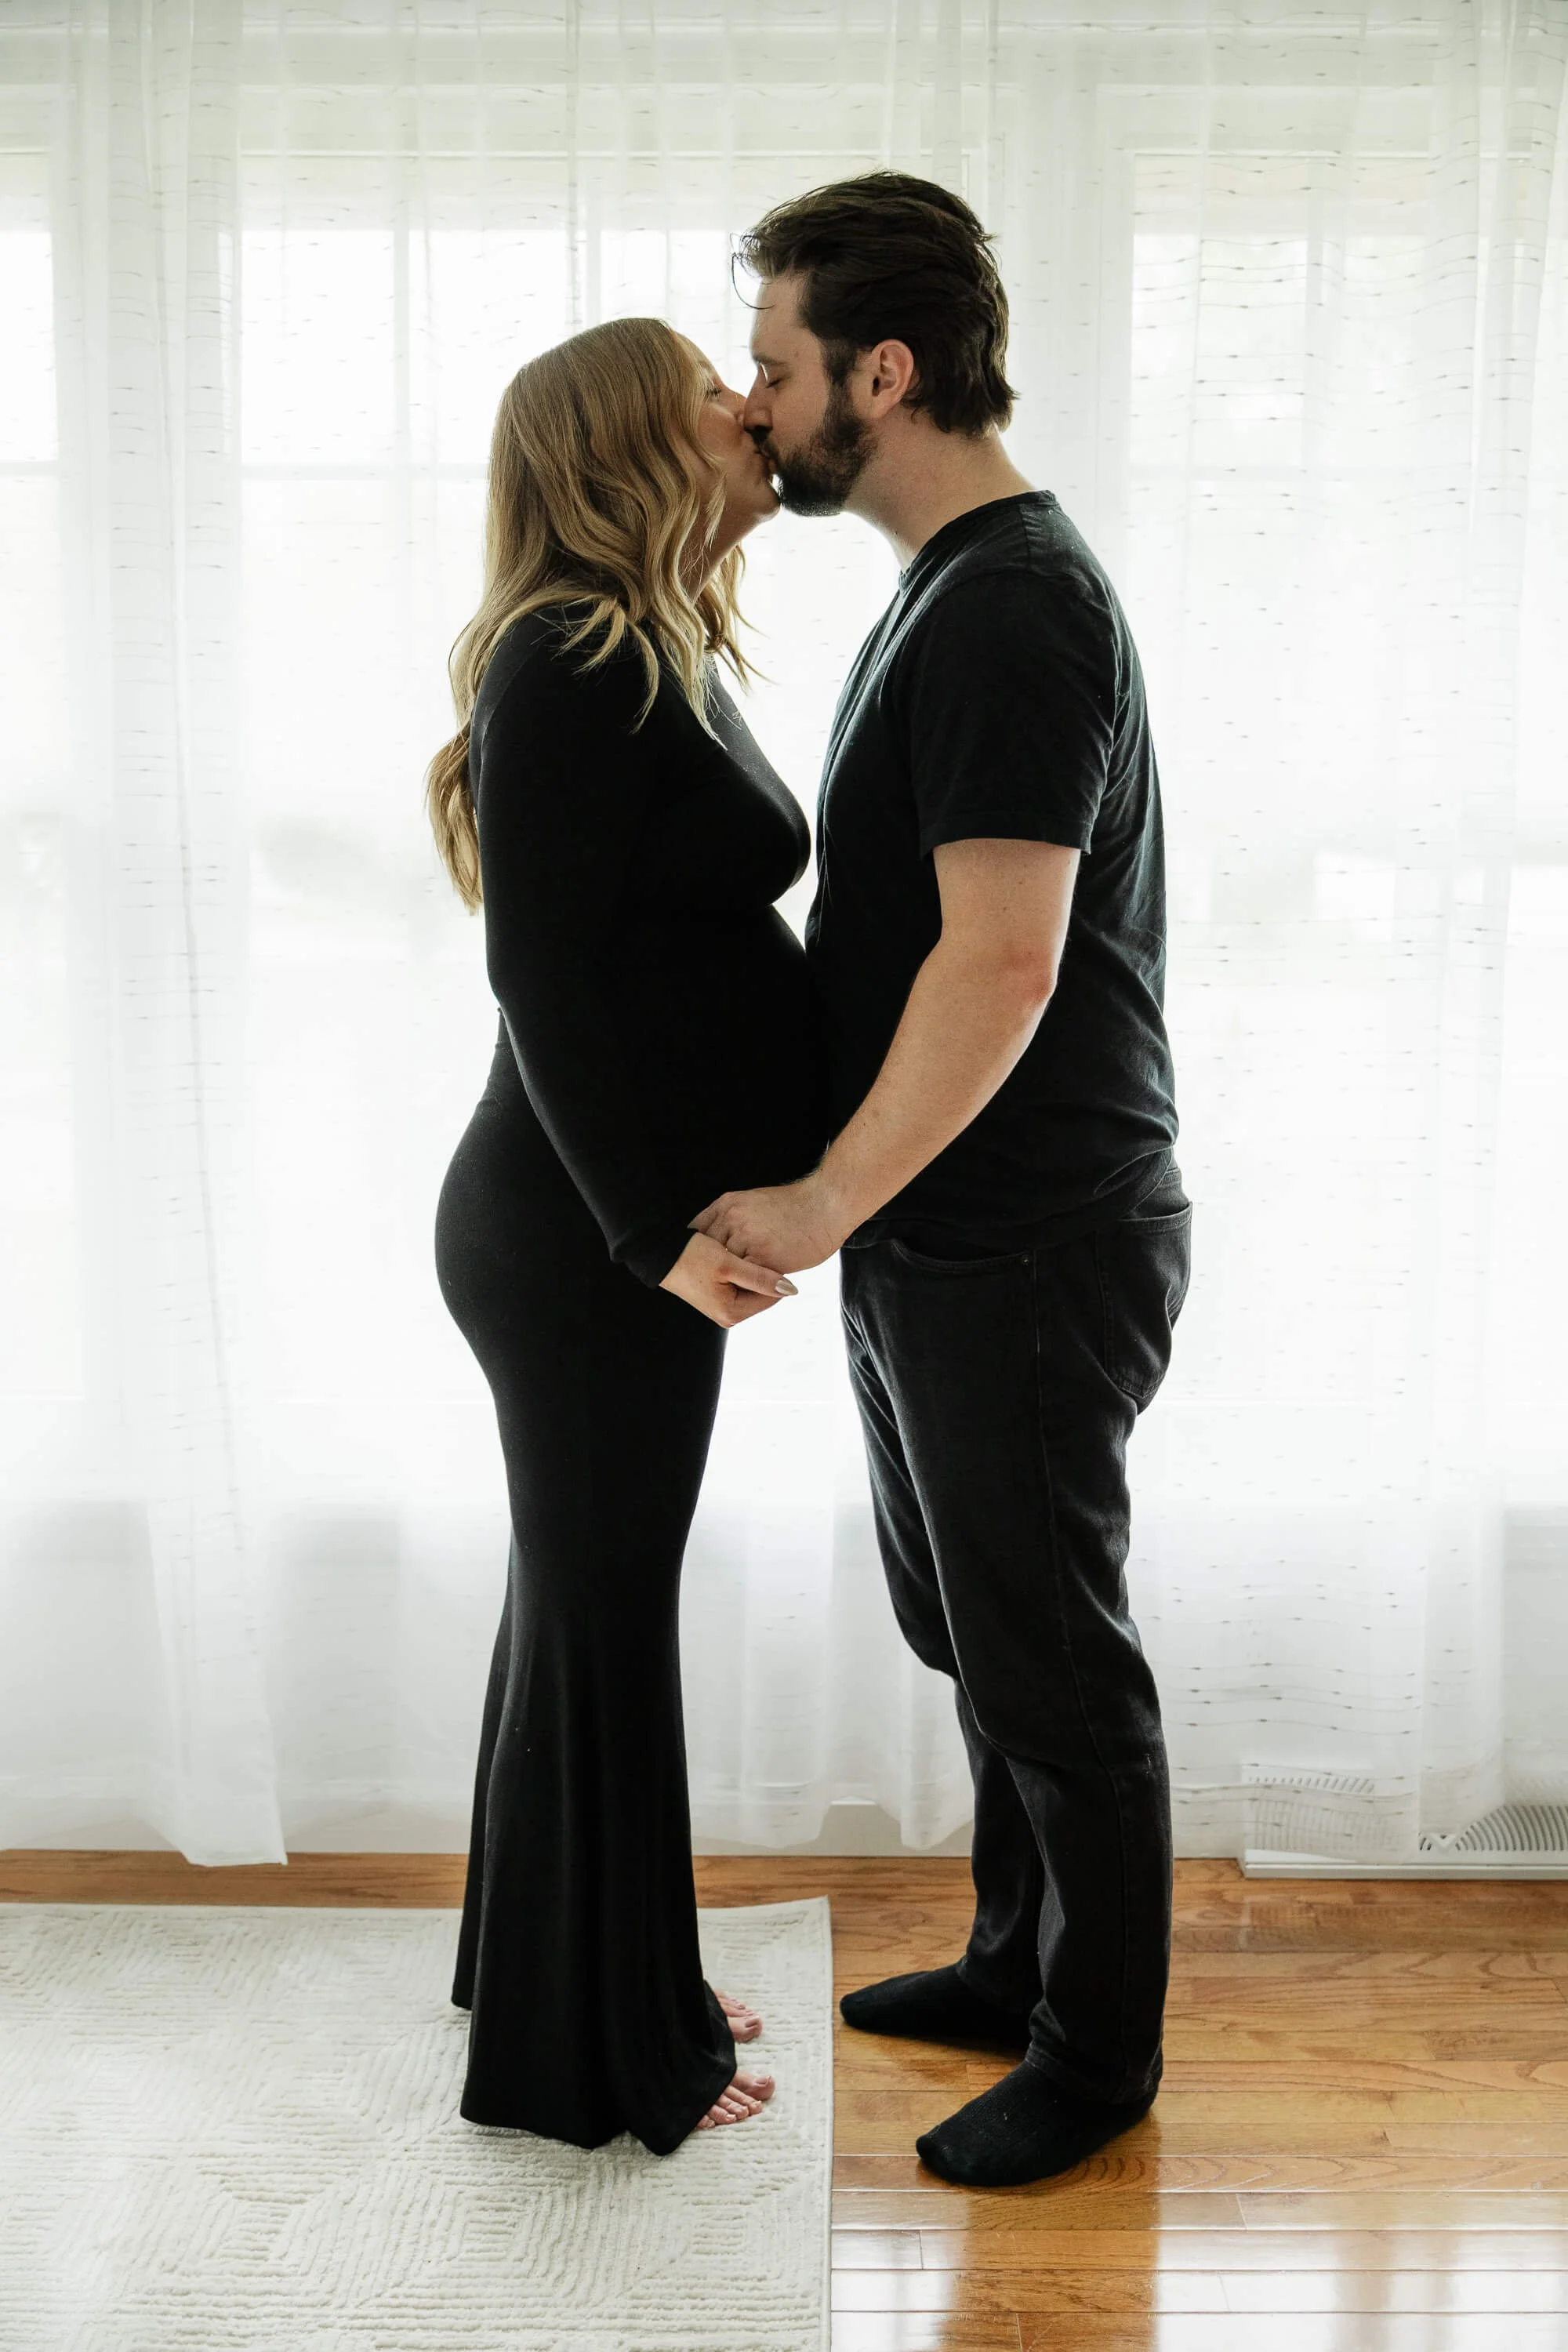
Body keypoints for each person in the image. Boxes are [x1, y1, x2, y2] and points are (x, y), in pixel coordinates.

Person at [695, 172, 1192, 2188]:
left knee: (1052, 1658)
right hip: (947, 1226)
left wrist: (818, 1203)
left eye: (776, 367)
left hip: (1035, 1232)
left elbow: (1004, 959)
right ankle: (1012, 1956)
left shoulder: (1010, 607)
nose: (754, 406)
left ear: (879, 375)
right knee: (970, 1625)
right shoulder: (948, 585)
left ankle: (1098, 2054)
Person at [427, 316, 822, 2151]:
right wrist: (650, 1232)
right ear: (627, 452)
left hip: (598, 1230)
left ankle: (553, 1972)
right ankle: (591, 2053)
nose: (749, 411)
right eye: (711, 398)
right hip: (579, 1241)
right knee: (602, 1616)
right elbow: (539, 980)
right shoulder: (574, 652)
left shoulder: (653, 635)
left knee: (574, 1604)